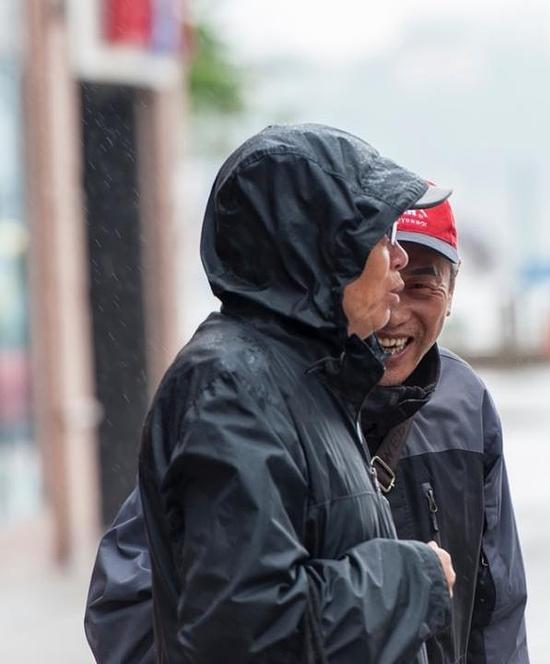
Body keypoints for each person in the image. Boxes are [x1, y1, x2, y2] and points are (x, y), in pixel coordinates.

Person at [85, 196, 529, 663]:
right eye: (380, 279)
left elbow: (497, 608)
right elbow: (127, 610)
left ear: (453, 293)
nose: (395, 313)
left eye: (420, 285)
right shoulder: (250, 401)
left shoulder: (465, 403)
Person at [122, 124, 456, 663]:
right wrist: (413, 578)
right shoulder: (233, 385)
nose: (397, 259)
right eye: (380, 236)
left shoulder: (308, 377)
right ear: (322, 249)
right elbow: (248, 630)